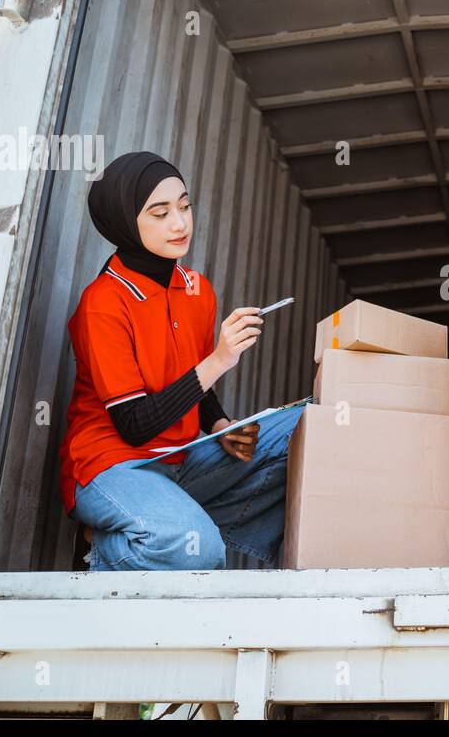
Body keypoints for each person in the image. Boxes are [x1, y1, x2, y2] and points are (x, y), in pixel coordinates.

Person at [57, 151, 306, 571]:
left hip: (182, 457)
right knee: (200, 550)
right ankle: (101, 544)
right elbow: (133, 425)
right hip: (113, 465)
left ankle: (168, 521)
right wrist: (221, 358)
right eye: (160, 213)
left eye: (185, 206)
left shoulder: (196, 289)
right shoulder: (103, 303)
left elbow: (187, 381)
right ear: (124, 221)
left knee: (305, 423)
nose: (180, 223)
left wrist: (220, 426)